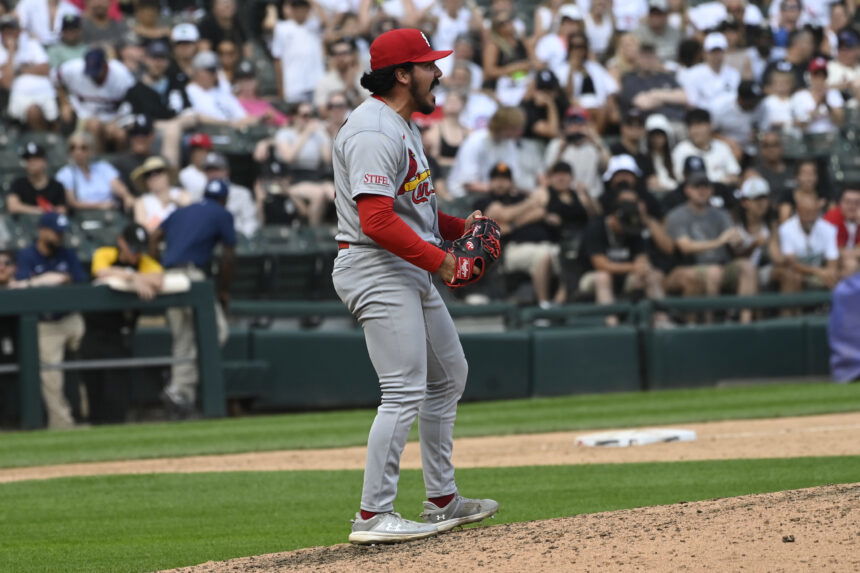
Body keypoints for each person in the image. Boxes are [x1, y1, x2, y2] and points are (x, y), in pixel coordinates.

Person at [331, 28, 498, 545]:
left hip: (403, 265)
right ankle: (372, 514)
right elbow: (377, 221)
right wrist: (446, 265)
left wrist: (458, 228)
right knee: (403, 389)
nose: (439, 73)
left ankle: (441, 499)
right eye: (429, 64)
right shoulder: (373, 132)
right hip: (374, 266)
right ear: (402, 73)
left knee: (448, 377)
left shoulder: (401, 124)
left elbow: (414, 212)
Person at [149, 179, 234, 418]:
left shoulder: (182, 210)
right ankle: (178, 387)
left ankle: (180, 395)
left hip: (168, 277)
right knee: (217, 333)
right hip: (190, 276)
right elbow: (228, 257)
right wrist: (224, 290)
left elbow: (154, 236)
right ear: (224, 199)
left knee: (183, 339)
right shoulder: (222, 213)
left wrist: (156, 266)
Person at [82, 223, 163, 424]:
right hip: (94, 331)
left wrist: (132, 277)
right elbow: (101, 271)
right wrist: (132, 277)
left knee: (116, 393)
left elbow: (158, 278)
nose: (136, 254)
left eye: (140, 249)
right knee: (95, 390)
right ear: (121, 242)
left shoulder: (145, 262)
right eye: (133, 248)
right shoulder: (106, 253)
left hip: (121, 334)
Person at [13, 213, 87, 429]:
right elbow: (21, 283)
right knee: (51, 376)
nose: (59, 237)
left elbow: (81, 279)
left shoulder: (67, 253)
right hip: (46, 324)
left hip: (71, 318)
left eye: (61, 232)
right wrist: (46, 280)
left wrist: (61, 278)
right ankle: (62, 424)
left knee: (95, 352)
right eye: (56, 232)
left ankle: (92, 412)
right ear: (42, 231)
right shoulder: (28, 254)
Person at [664, 168, 758, 322]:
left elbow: (733, 243)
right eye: (697, 187)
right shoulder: (677, 215)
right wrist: (719, 241)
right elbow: (685, 247)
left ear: (712, 190)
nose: (702, 191)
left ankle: (744, 320)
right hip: (690, 266)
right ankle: (712, 323)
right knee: (713, 272)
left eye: (706, 186)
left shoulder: (721, 214)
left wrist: (738, 241)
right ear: (687, 190)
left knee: (747, 267)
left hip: (722, 264)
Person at [577, 186, 667, 326]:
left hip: (625, 277)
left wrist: (642, 268)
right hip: (590, 278)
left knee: (651, 274)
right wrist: (634, 267)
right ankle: (611, 324)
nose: (627, 230)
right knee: (603, 277)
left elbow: (641, 258)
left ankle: (663, 322)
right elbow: (601, 265)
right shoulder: (596, 228)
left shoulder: (634, 229)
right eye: (624, 226)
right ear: (613, 218)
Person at [54, 46, 135, 147]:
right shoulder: (74, 68)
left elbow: (131, 101)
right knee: (94, 125)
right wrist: (64, 103)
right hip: (84, 116)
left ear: (105, 66)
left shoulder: (121, 74)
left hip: (113, 117)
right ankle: (96, 160)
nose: (93, 76)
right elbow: (55, 78)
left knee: (120, 135)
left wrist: (115, 121)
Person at [0, 15, 57, 131]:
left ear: (19, 32)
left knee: (54, 116)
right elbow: (6, 83)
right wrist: (11, 52)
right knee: (33, 112)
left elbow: (45, 69)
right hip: (19, 96)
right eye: (5, 31)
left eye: (12, 30)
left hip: (46, 92)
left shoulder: (31, 45)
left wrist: (19, 70)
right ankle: (43, 142)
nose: (9, 34)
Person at [777, 192, 840, 293]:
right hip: (796, 271)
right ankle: (790, 309)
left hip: (819, 272)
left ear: (818, 211)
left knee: (837, 274)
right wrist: (817, 271)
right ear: (797, 211)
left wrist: (830, 273)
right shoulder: (786, 229)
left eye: (812, 212)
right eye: (805, 212)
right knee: (793, 276)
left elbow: (832, 260)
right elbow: (791, 263)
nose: (809, 217)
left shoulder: (829, 229)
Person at [56, 131, 134, 212]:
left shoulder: (103, 167)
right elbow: (72, 203)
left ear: (91, 150)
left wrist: (127, 196)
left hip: (109, 213)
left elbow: (117, 186)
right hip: (83, 215)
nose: (78, 152)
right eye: (73, 148)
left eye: (83, 148)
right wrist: (99, 206)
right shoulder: (66, 173)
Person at [272, 0, 325, 105]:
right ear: (291, 9)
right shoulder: (281, 28)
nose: (299, 10)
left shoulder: (314, 25)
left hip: (316, 83)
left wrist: (311, 2)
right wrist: (281, 90)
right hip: (293, 86)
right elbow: (277, 60)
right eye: (296, 7)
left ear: (308, 9)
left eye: (303, 7)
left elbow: (326, 21)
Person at [679, 32, 741, 110]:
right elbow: (693, 102)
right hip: (705, 116)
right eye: (713, 52)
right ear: (705, 53)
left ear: (725, 52)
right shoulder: (693, 74)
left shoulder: (734, 74)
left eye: (719, 51)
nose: (716, 55)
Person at [132, 156, 191, 232]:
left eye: (158, 171)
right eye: (148, 174)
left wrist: (173, 201)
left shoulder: (182, 194)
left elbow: (191, 216)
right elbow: (141, 230)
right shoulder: (141, 202)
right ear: (145, 181)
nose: (154, 177)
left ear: (168, 174)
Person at [7, 142, 67, 215]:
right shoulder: (18, 183)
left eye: (35, 159)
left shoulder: (56, 186)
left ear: (45, 162)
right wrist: (41, 210)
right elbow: (13, 206)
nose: (32, 163)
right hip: (23, 225)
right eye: (28, 160)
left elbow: (62, 210)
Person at [823, 187, 860, 277]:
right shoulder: (831, 217)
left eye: (857, 203)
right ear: (840, 203)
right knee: (850, 265)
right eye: (848, 202)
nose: (852, 206)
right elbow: (835, 250)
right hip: (831, 261)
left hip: (854, 259)